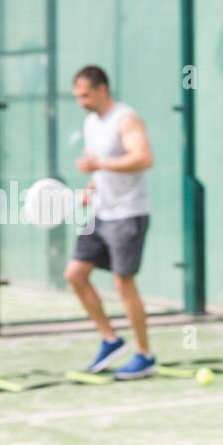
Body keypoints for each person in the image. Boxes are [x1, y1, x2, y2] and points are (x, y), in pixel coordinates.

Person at [62, 66, 157, 379]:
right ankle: (111, 340)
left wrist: (99, 164)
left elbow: (143, 157)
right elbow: (98, 168)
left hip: (128, 212)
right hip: (100, 213)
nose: (81, 101)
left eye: (85, 95)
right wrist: (90, 189)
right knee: (75, 274)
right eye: (77, 96)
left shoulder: (125, 118)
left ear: (103, 89)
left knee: (122, 283)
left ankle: (145, 355)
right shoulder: (91, 122)